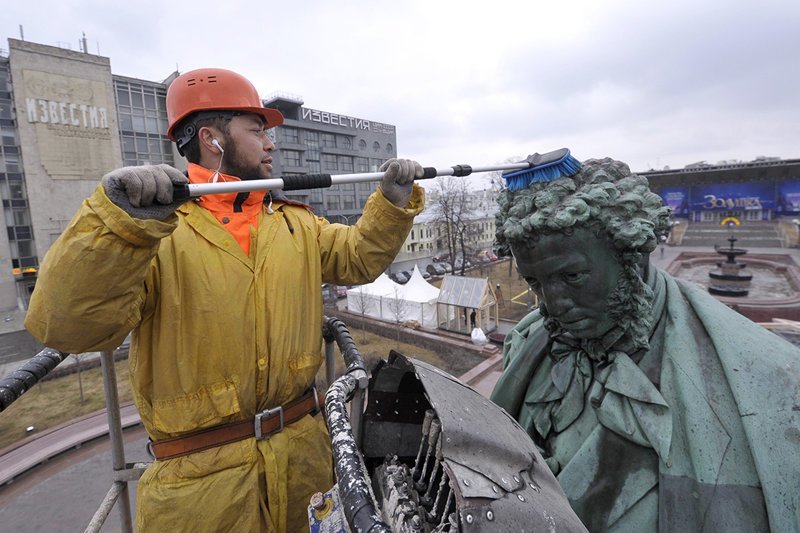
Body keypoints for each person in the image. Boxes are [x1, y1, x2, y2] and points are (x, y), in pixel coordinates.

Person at [25, 68, 425, 532]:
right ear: (212, 139)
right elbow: (71, 326)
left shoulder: (293, 223)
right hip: (202, 496)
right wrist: (114, 226)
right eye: (257, 130)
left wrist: (392, 203)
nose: (271, 143)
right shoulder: (147, 233)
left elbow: (356, 258)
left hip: (303, 468)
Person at [490, 158, 800, 531]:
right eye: (535, 283)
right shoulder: (528, 342)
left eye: (572, 276)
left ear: (632, 256)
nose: (552, 306)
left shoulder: (771, 381)